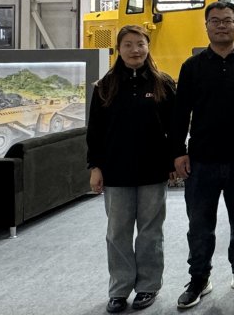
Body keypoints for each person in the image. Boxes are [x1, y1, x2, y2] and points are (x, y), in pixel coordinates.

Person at [170, 1, 234, 309]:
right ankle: (199, 279)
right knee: (199, 226)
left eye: (227, 20)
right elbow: (180, 113)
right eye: (215, 21)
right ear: (206, 26)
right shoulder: (192, 66)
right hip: (201, 160)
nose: (222, 25)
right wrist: (178, 152)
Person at [87, 25, 177, 314]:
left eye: (140, 44)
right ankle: (119, 289)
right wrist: (95, 167)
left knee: (151, 232)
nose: (135, 50)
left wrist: (173, 160)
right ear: (119, 49)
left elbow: (174, 128)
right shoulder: (104, 86)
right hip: (116, 171)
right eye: (128, 44)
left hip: (153, 170)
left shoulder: (163, 84)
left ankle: (148, 286)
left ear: (148, 47)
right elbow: (95, 132)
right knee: (117, 233)